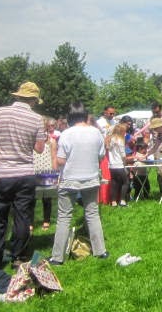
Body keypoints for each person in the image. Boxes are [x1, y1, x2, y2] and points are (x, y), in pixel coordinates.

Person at [0, 82, 47, 271]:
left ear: (18, 96)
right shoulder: (37, 119)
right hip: (25, 174)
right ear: (33, 100)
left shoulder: (0, 112)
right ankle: (18, 256)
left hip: (1, 173)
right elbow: (39, 148)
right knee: (22, 217)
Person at [49, 102, 108, 265]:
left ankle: (57, 257)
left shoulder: (66, 134)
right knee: (92, 214)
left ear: (70, 117)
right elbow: (101, 156)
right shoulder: (96, 132)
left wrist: (54, 152)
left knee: (64, 217)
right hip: (91, 178)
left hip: (70, 179)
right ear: (85, 115)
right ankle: (100, 251)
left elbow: (61, 161)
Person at [33, 117, 59, 230]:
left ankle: (46, 220)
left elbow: (54, 157)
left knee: (47, 198)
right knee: (32, 198)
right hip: (33, 170)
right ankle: (30, 221)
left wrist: (55, 173)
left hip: (47, 171)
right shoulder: (32, 140)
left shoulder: (51, 141)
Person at [107, 123, 129, 207]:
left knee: (114, 183)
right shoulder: (120, 140)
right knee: (125, 182)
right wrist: (125, 162)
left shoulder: (110, 140)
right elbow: (123, 154)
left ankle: (113, 202)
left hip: (111, 165)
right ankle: (122, 201)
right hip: (119, 164)